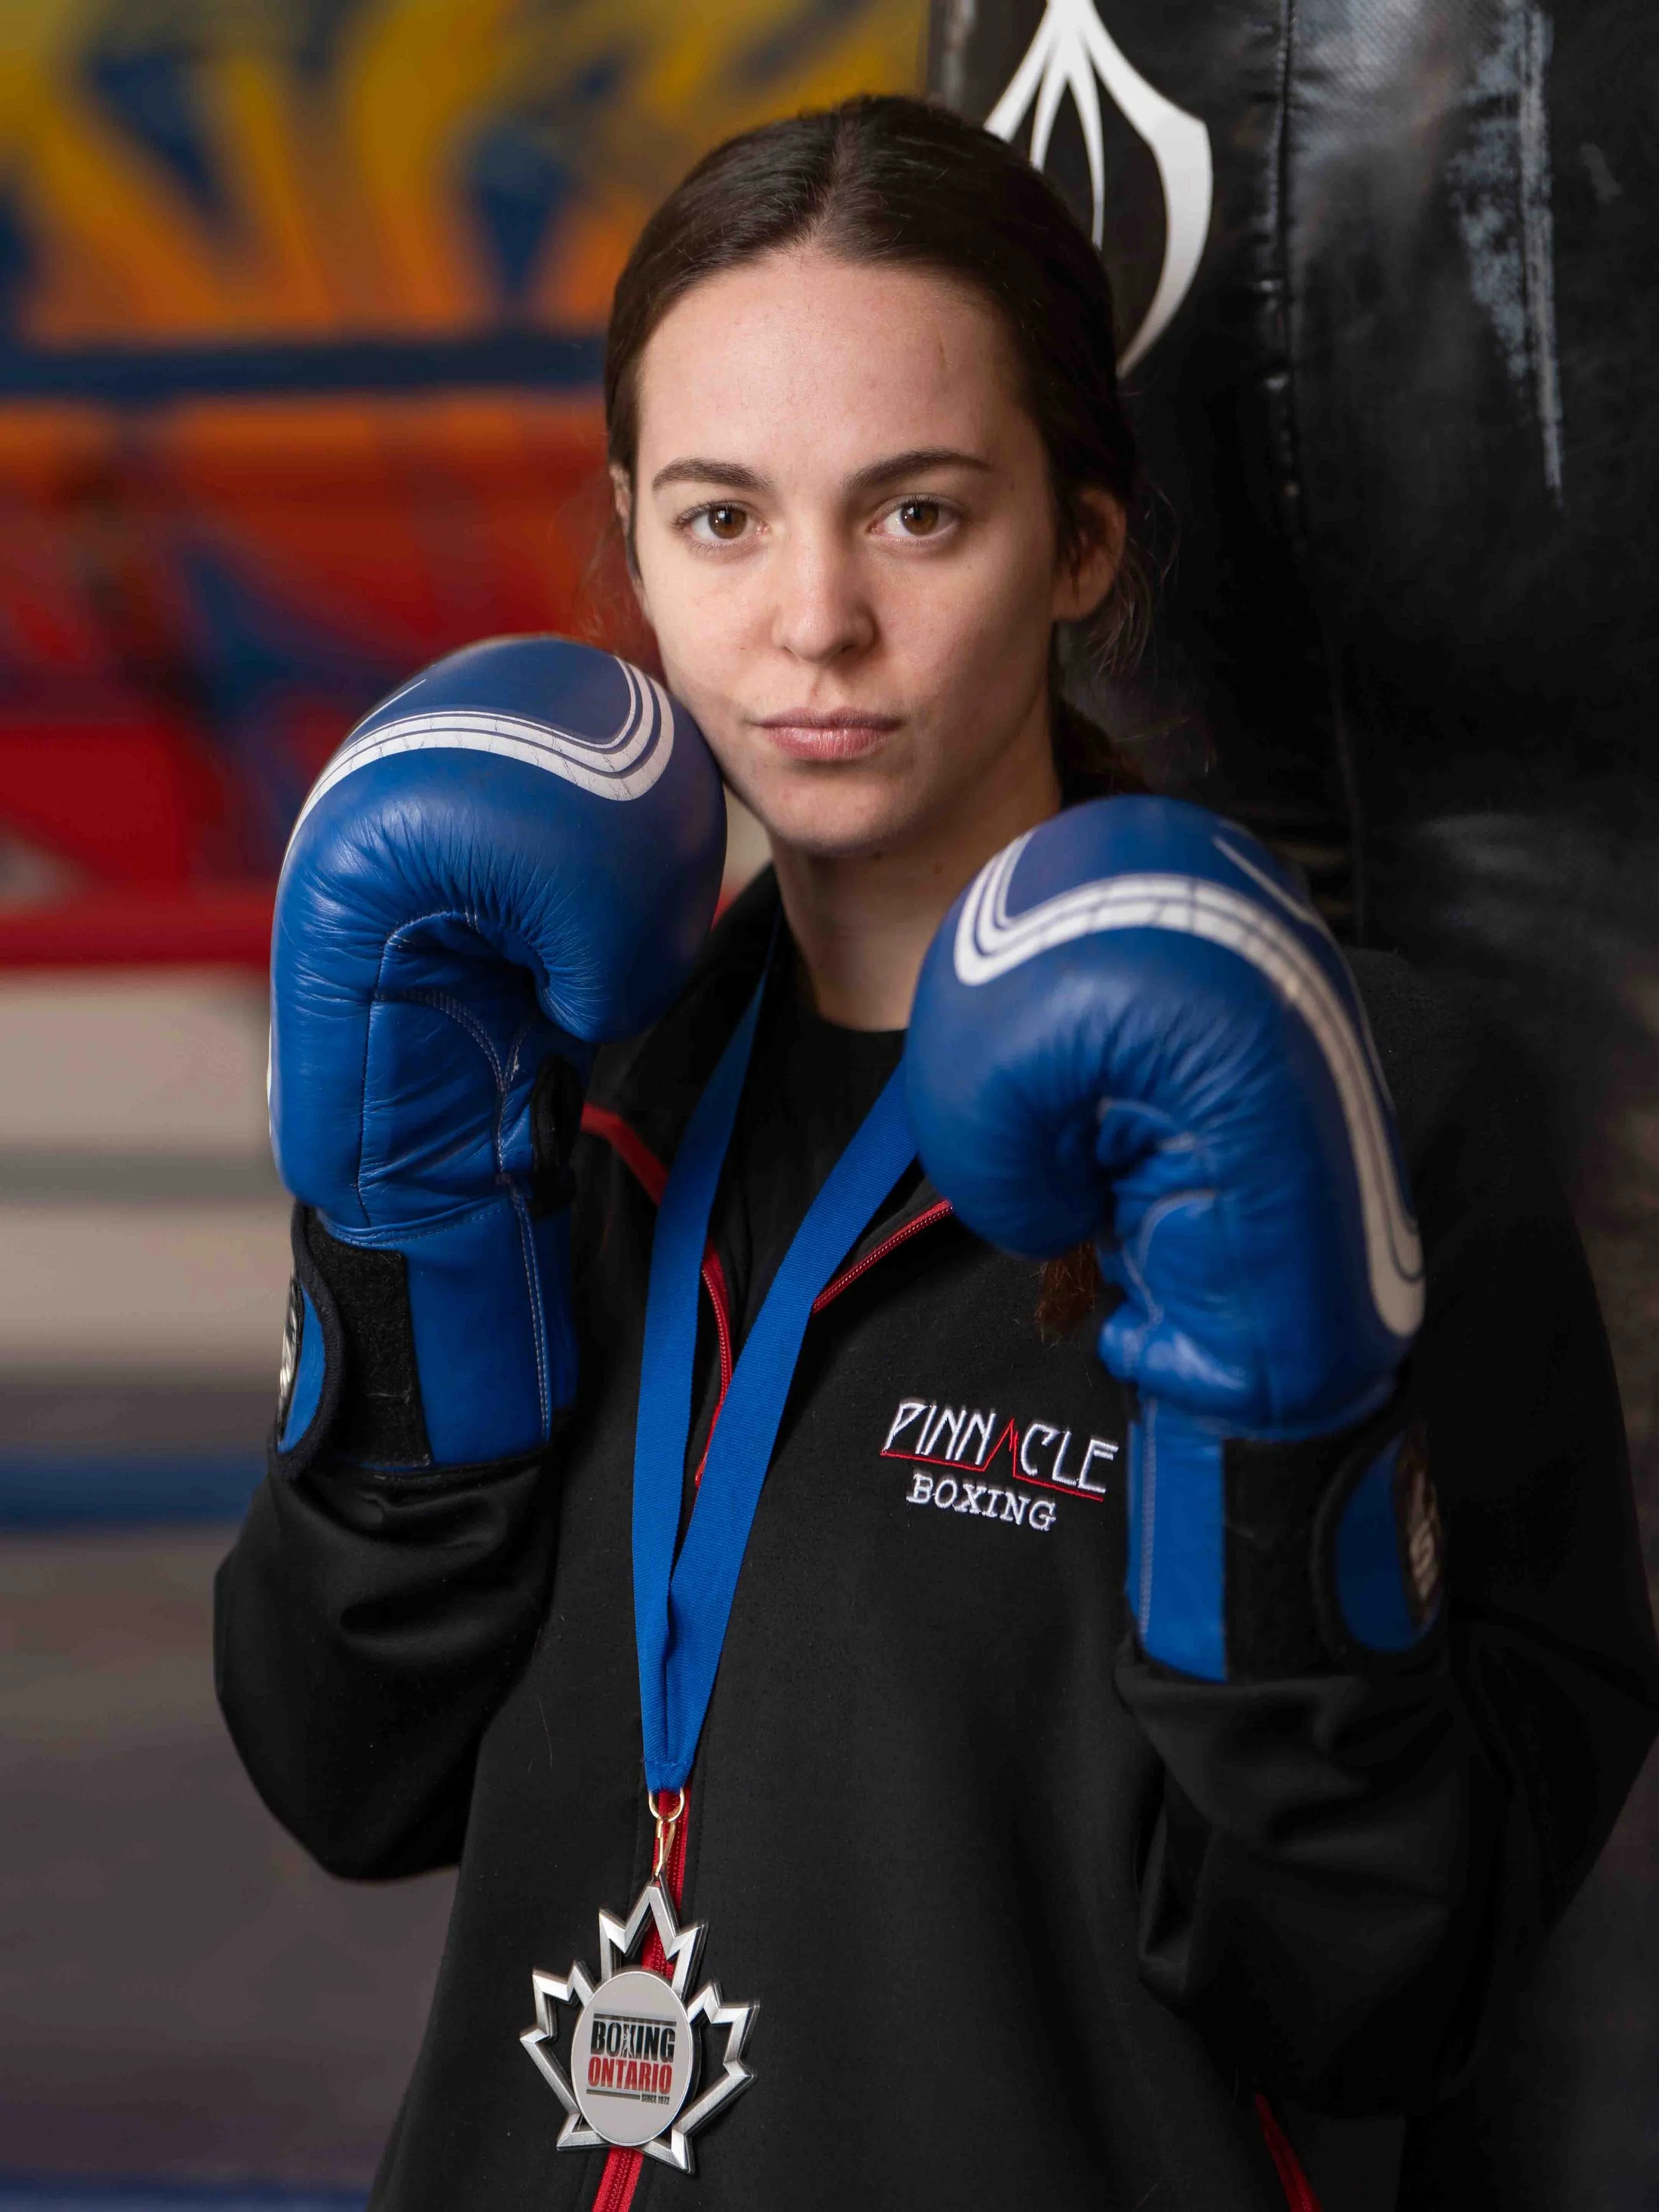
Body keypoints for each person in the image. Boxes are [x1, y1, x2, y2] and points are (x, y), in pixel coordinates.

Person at [215, 96, 1659, 2212]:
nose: (812, 621)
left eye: (914, 513)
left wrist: (1274, 1487)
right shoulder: (553, 1075)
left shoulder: (1357, 1093)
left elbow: (1380, 1983)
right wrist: (397, 1238)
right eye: (721, 519)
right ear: (625, 540)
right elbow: (349, 1765)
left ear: (1078, 540)